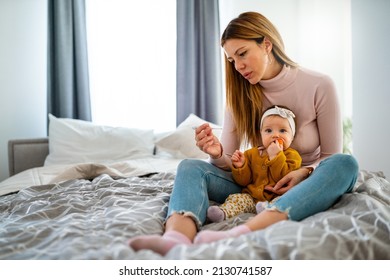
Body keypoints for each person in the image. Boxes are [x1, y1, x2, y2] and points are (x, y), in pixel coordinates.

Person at [128, 11, 359, 254]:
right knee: (189, 166)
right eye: (231, 60)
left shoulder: (319, 85)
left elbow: (331, 156)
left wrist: (303, 172)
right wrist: (217, 153)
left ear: (266, 44)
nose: (238, 66)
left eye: (242, 54)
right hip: (254, 183)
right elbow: (227, 166)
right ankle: (176, 237)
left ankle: (242, 233)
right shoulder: (239, 95)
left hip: (304, 184)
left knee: (346, 164)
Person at [207, 105, 302, 222]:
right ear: (261, 134)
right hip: (252, 197)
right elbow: (244, 181)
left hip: (276, 197)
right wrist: (241, 166)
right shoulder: (251, 154)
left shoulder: (293, 156)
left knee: (283, 202)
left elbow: (282, 178)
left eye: (282, 130)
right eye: (268, 130)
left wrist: (276, 156)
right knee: (237, 198)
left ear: (292, 137)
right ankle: (222, 212)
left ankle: (267, 211)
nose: (275, 135)